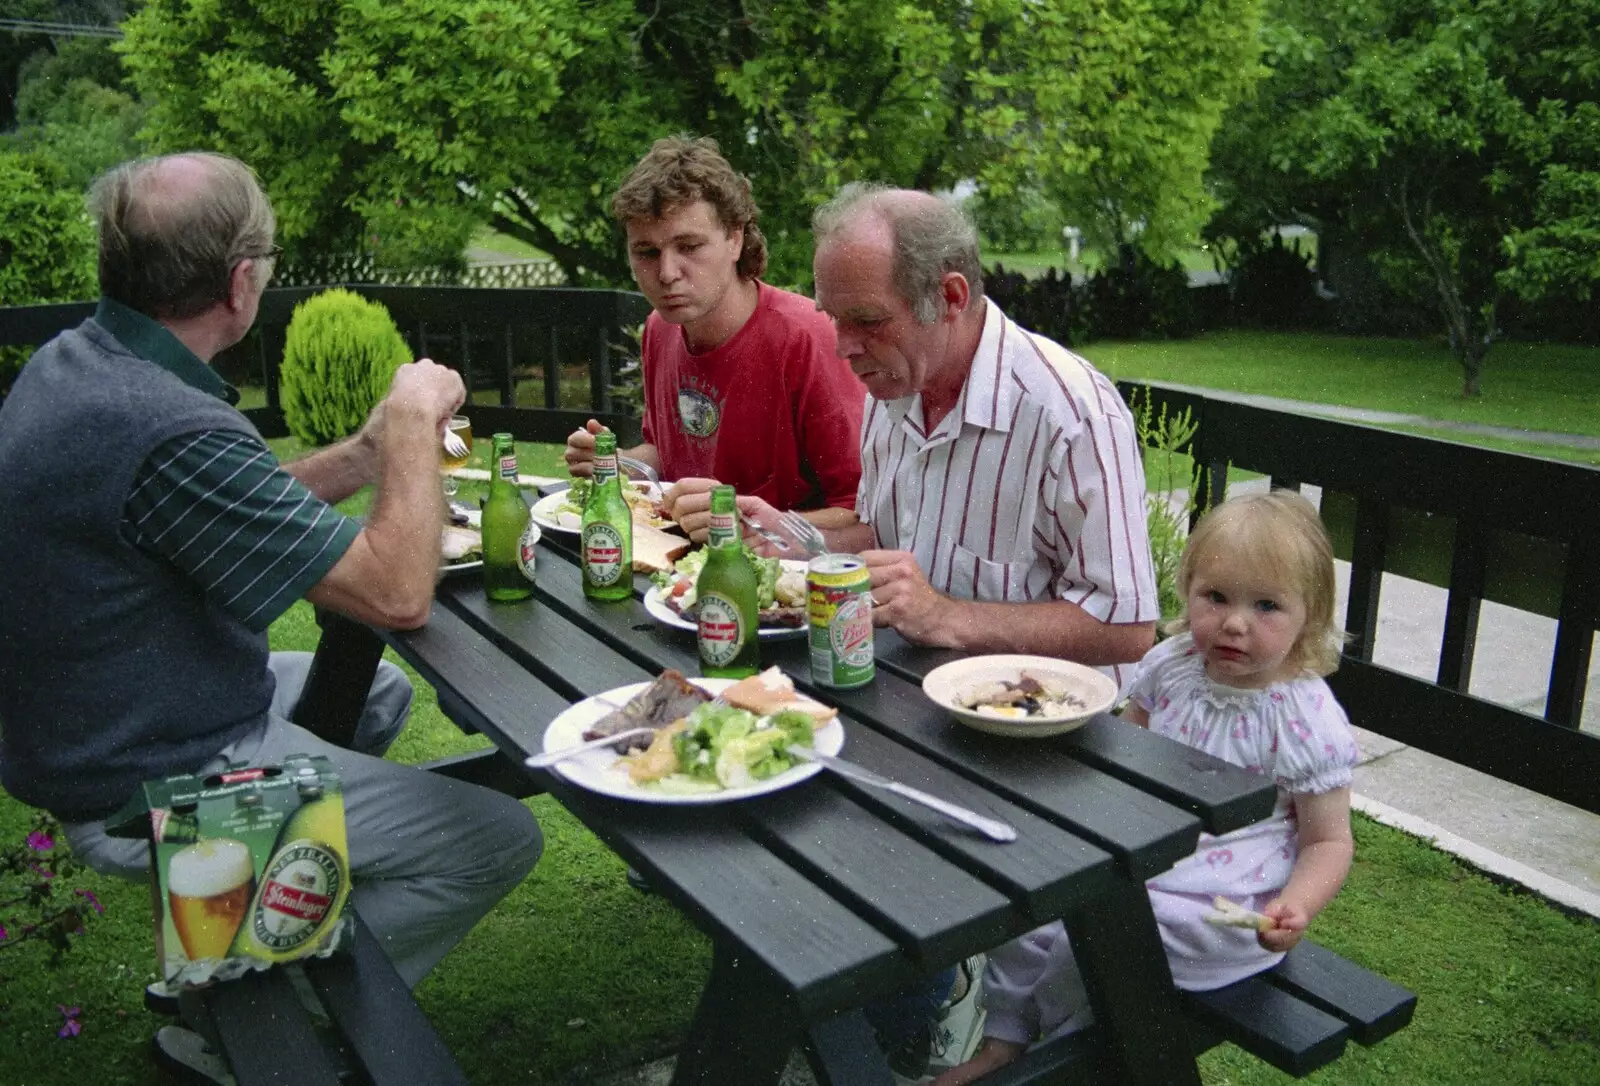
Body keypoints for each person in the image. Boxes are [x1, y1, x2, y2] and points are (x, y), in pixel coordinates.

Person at [0, 154, 542, 1007]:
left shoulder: (81, 365)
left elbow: (226, 502)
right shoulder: (165, 423)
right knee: (497, 838)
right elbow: (397, 594)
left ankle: (262, 911)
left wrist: (364, 456)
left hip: (107, 723)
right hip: (151, 773)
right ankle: (284, 1009)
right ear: (242, 282)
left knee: (376, 696)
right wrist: (406, 424)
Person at [931, 489, 1361, 1085]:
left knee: (1105, 928)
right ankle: (1006, 1038)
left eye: (1266, 606)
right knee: (1028, 899)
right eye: (1215, 597)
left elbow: (1329, 842)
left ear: (1309, 616)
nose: (1235, 622)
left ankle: (1052, 1061)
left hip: (1221, 909)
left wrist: (1299, 905)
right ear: (1188, 590)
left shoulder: (1301, 719)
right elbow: (1125, 760)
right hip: (1140, 861)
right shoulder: (1171, 666)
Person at [740, 183, 1159, 690]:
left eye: (868, 320)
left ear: (951, 297)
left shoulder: (1069, 413)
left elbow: (1126, 626)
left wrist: (945, 618)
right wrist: (795, 538)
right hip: (914, 689)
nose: (843, 348)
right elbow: (889, 535)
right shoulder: (894, 381)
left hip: (1046, 724)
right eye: (833, 317)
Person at [563, 135, 864, 542]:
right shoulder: (659, 328)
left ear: (735, 238)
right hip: (678, 570)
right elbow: (671, 458)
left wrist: (750, 525)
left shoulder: (808, 337)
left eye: (689, 246)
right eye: (647, 253)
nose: (668, 272)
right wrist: (618, 464)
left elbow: (860, 513)